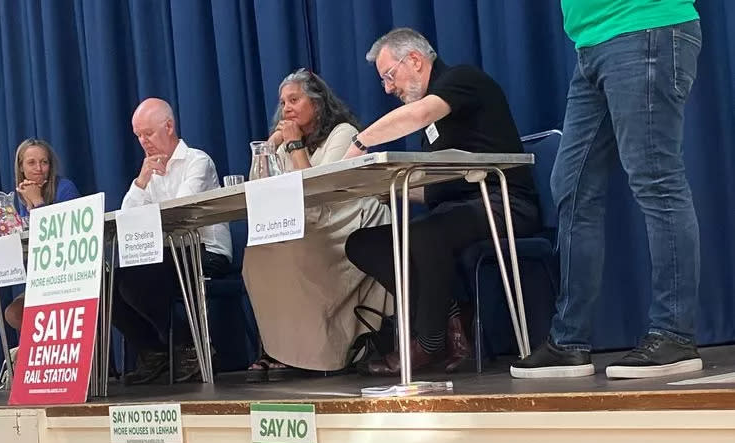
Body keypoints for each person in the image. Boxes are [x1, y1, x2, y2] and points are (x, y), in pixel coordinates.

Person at [510, 1, 702, 380]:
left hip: (643, 27)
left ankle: (674, 333)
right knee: (571, 184)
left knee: (657, 182)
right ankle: (569, 342)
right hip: (592, 44)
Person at [343, 28, 541, 375]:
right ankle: (451, 314)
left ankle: (429, 341)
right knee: (363, 243)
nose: (388, 88)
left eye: (390, 75)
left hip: (506, 203)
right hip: (459, 210)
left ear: (415, 61)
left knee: (425, 234)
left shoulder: (460, 80)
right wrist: (372, 189)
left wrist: (360, 143)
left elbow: (419, 116)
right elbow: (438, 189)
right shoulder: (431, 116)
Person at [243, 69, 391, 382]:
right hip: (308, 222)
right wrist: (270, 145)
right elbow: (259, 188)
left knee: (299, 253)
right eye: (283, 103)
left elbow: (319, 189)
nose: (287, 109)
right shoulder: (286, 143)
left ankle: (321, 351)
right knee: (257, 256)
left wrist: (295, 147)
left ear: (318, 103)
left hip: (346, 218)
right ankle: (281, 349)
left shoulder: (342, 133)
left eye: (294, 100)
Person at [113, 98, 232, 384]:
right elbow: (127, 219)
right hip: (168, 253)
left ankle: (190, 346)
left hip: (206, 252)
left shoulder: (197, 161)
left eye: (148, 133)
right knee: (111, 284)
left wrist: (148, 217)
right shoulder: (149, 172)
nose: (143, 141)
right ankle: (155, 353)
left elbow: (179, 211)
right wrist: (141, 182)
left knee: (137, 278)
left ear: (169, 126)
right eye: (138, 136)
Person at [4, 138, 81, 331]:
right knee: (14, 312)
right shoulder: (20, 197)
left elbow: (62, 237)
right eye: (31, 162)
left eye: (44, 162)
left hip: (70, 277)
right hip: (42, 280)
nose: (39, 168)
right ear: (21, 167)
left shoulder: (65, 188)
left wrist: (38, 202)